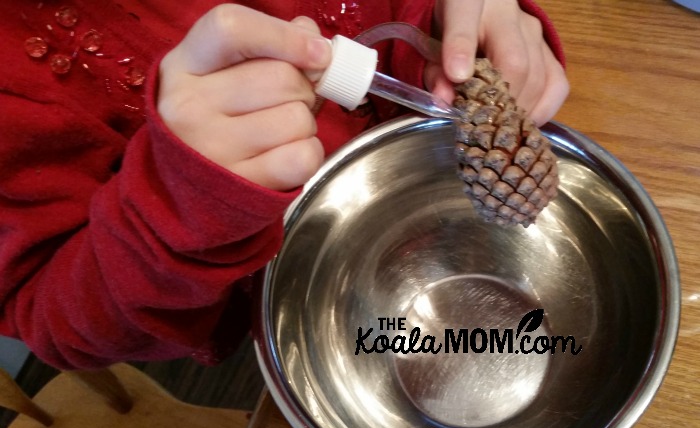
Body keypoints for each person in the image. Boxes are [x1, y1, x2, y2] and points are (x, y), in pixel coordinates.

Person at [0, 0, 568, 369]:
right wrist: (179, 202)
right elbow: (56, 318)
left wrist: (446, 33)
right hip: (294, 298)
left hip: (431, 182)